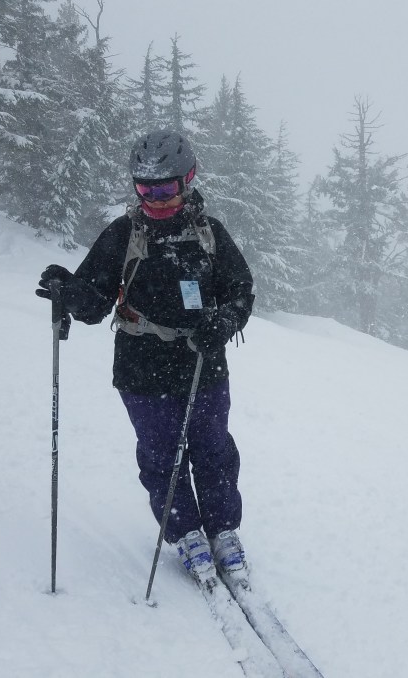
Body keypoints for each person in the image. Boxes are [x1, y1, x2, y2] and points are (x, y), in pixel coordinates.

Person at [35, 130, 255, 584]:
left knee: (213, 450)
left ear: (188, 179)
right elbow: (94, 305)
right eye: (144, 188)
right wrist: (69, 291)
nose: (155, 198)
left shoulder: (210, 234)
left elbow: (240, 290)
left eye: (165, 188)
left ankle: (222, 530)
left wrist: (225, 322)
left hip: (202, 363)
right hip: (141, 366)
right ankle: (186, 532)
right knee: (161, 455)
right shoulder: (123, 234)